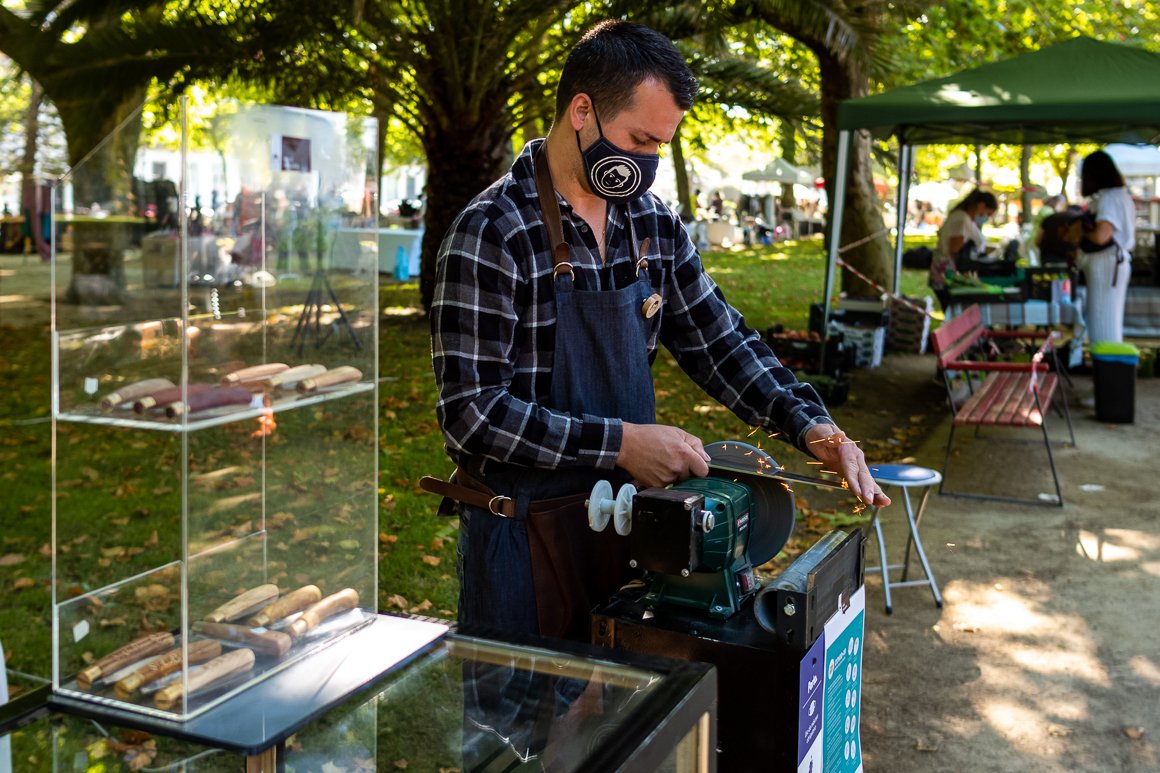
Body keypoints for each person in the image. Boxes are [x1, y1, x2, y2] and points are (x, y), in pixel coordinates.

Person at [429, 19, 889, 644]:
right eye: (640, 140)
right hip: (520, 538)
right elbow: (473, 414)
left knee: (627, 699)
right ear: (582, 112)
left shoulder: (652, 224)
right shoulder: (492, 231)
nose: (646, 164)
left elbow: (721, 343)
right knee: (522, 707)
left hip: (633, 529)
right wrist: (620, 444)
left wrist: (813, 427)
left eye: (660, 146)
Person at [1077, 149, 1136, 344]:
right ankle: (1109, 359)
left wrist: (1081, 232)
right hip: (1114, 263)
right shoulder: (1120, 196)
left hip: (1106, 264)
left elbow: (1101, 236)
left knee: (1102, 321)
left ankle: (1106, 360)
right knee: (1108, 320)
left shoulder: (1110, 198)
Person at [929, 188, 998, 309]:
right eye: (987, 213)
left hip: (948, 273)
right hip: (948, 274)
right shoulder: (961, 218)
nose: (986, 217)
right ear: (981, 206)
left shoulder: (965, 218)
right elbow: (955, 248)